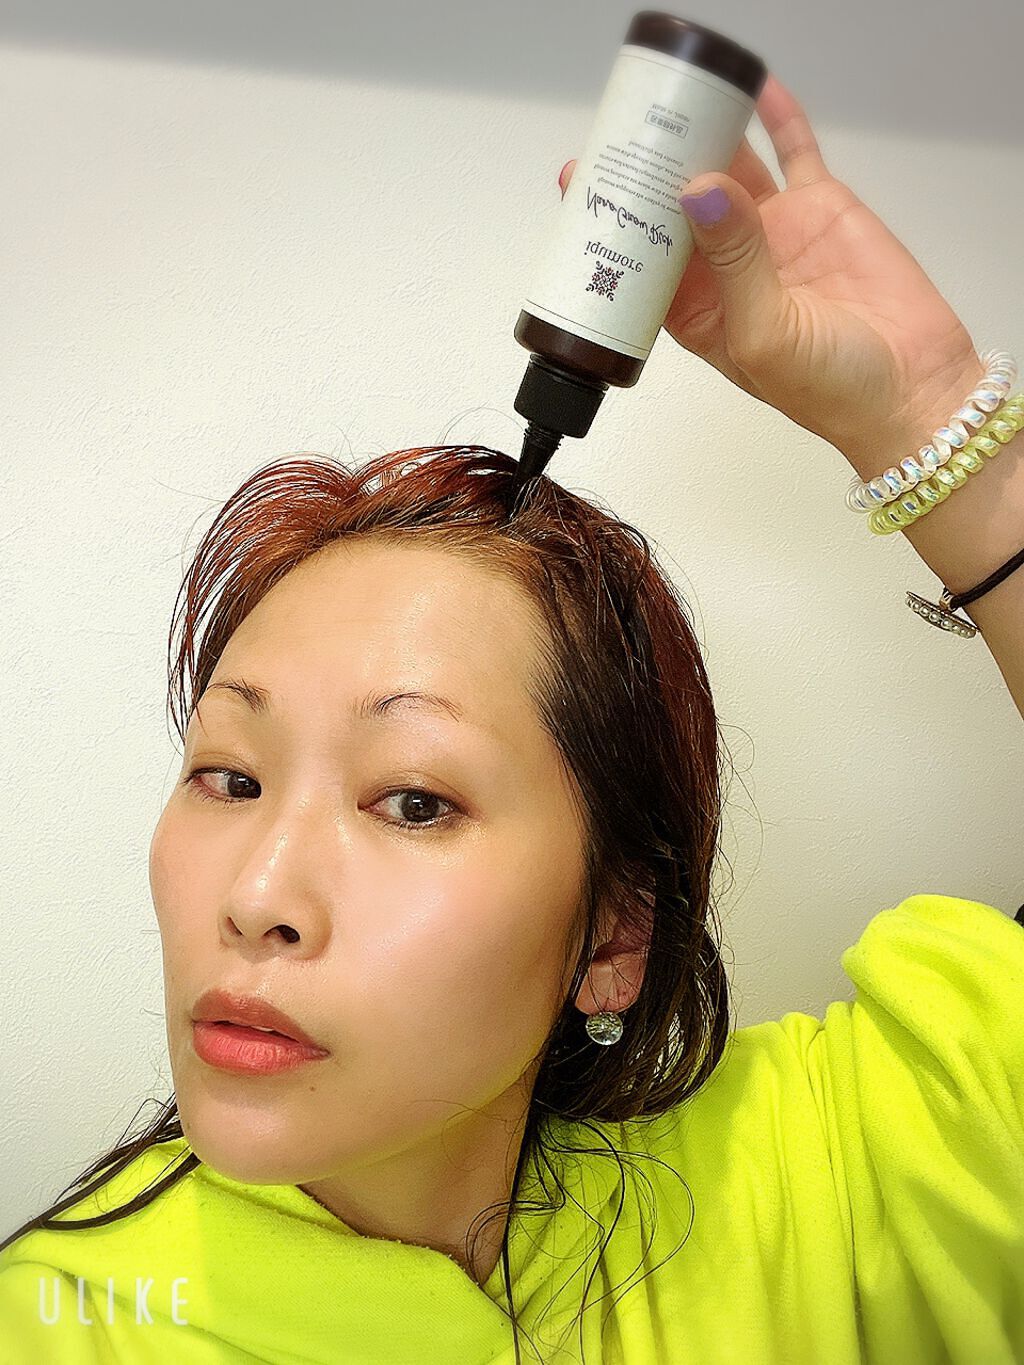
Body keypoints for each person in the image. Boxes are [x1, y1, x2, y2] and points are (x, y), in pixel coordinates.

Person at [1, 73, 1021, 1365]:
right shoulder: (60, 1329)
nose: (257, 897)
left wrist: (929, 415)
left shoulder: (828, 1177)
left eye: (411, 799)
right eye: (230, 776)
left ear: (613, 936)